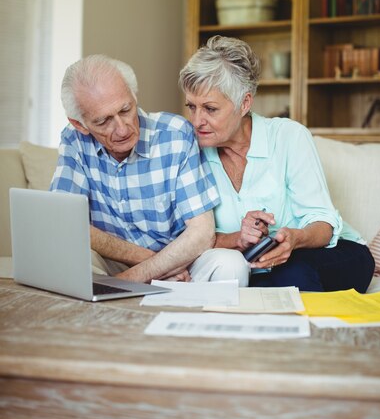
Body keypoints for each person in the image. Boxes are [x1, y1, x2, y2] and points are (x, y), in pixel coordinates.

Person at [179, 36, 375, 292]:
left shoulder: (288, 136)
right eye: (191, 107)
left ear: (244, 103)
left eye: (210, 109)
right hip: (256, 267)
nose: (197, 121)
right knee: (253, 281)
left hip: (332, 254)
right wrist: (238, 238)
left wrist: (294, 238)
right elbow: (192, 238)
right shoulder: (191, 153)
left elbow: (324, 225)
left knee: (290, 271)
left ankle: (307, 330)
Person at [50, 54, 249, 285]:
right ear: (79, 124)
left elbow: (202, 234)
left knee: (231, 265)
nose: (122, 129)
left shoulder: (175, 134)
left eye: (125, 110)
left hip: (180, 261)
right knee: (63, 260)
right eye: (104, 121)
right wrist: (149, 263)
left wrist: (130, 279)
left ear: (134, 97)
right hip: (119, 261)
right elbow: (63, 223)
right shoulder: (74, 140)